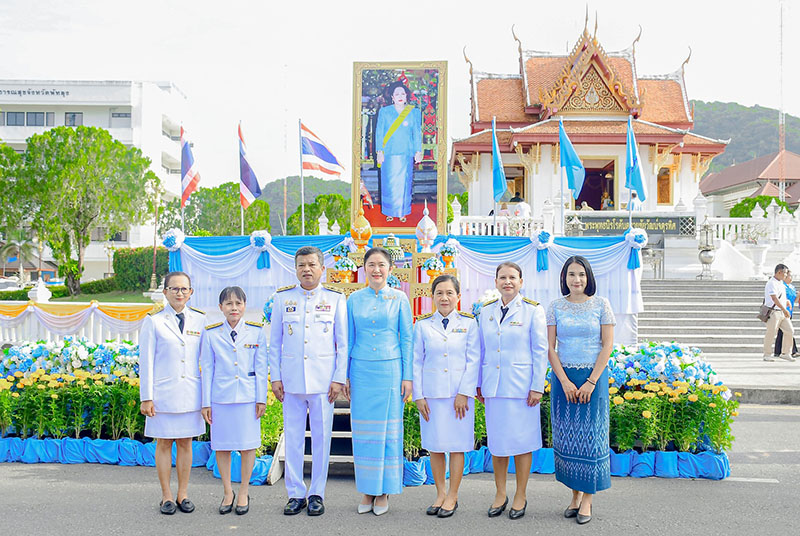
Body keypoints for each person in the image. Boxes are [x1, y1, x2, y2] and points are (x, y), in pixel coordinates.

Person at [269, 246, 348, 516]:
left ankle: (316, 492)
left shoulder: (336, 299)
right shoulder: (283, 299)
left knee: (321, 438)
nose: (307, 269)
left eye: (312, 264)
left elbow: (343, 344)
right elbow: (274, 343)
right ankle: (295, 493)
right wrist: (276, 376)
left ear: (322, 268)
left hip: (323, 382)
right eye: (302, 264)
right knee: (293, 437)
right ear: (295, 268)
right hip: (291, 381)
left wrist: (339, 378)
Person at [546, 256, 615, 525]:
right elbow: (550, 348)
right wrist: (563, 381)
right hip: (564, 379)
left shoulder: (601, 305)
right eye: (572, 274)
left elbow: (607, 345)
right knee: (567, 438)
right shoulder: (555, 307)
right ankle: (574, 496)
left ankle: (587, 499)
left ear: (589, 277)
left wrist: (590, 381)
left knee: (590, 438)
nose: (577, 280)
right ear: (564, 277)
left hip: (592, 379)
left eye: (582, 275)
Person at [476, 262, 548, 520]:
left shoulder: (532, 310)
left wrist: (537, 386)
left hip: (522, 388)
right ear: (496, 282)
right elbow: (481, 349)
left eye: (512, 278)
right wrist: (478, 382)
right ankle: (499, 492)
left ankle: (521, 494)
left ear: (521, 281)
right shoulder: (486, 312)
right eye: (502, 277)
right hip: (493, 386)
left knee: (522, 442)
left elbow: (540, 350)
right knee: (497, 443)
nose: (507, 282)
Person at [345, 246, 413, 515]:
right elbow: (348, 339)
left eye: (381, 264)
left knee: (387, 433)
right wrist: (346, 375)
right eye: (371, 264)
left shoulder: (400, 299)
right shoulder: (353, 300)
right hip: (361, 370)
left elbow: (407, 338)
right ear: (364, 268)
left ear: (390, 269)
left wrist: (408, 376)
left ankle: (384, 492)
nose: (376, 269)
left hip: (390, 370)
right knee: (364, 433)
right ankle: (367, 490)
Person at [412, 274, 480, 518]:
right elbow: (416, 361)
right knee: (435, 447)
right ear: (432, 297)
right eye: (439, 293)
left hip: (458, 398)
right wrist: (419, 396)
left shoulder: (469, 324)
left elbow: (474, 361)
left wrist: (464, 392)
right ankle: (440, 493)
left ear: (458, 297)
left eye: (450, 293)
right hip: (431, 396)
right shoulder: (421, 325)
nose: (444, 297)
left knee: (457, 447)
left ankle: (453, 495)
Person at [139, 271, 206, 515]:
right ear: (165, 292)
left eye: (184, 289)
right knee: (165, 443)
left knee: (186, 443)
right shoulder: (154, 321)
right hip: (163, 395)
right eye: (174, 289)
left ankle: (183, 494)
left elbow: (206, 361)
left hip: (190, 393)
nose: (179, 293)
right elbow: (145, 361)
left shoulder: (200, 321)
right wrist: (146, 397)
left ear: (191, 293)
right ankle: (167, 495)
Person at [200, 286, 268, 516]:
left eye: (238, 303)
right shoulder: (210, 333)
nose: (234, 308)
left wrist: (261, 398)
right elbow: (207, 369)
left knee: (248, 446)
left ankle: (243, 492)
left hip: (248, 398)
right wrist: (205, 403)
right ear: (221, 308)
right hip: (221, 398)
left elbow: (260, 367)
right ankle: (228, 491)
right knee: (222, 446)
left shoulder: (256, 332)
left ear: (245, 306)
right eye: (229, 304)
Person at [375, 81, 422, 223]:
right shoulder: (385, 112)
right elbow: (379, 132)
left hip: (406, 153)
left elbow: (417, 133)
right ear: (392, 97)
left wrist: (418, 151)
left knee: (404, 184)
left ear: (407, 96)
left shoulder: (414, 112)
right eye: (397, 94)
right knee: (389, 184)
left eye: (403, 93)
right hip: (389, 153)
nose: (400, 96)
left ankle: (403, 212)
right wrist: (379, 151)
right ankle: (389, 211)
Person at [763, 264, 795, 362]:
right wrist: (785, 310)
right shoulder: (771, 283)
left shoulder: (781, 283)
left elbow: (780, 297)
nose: (786, 275)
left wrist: (786, 302)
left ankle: (786, 352)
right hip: (773, 312)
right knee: (771, 333)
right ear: (779, 272)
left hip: (781, 311)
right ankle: (767, 354)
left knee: (790, 331)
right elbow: (774, 298)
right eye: (785, 273)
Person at [775, 270, 799, 358]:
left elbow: (794, 300)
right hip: (783, 310)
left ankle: (778, 351)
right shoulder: (782, 286)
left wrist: (798, 296)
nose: (791, 278)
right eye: (789, 276)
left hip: (790, 311)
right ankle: (793, 350)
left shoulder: (792, 287)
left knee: (784, 332)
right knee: (788, 331)